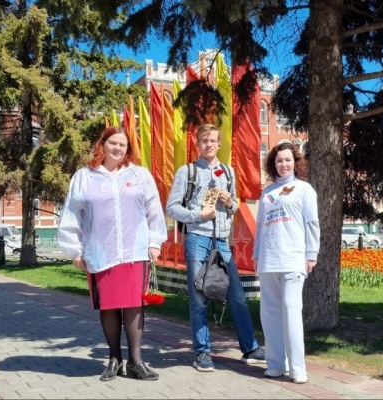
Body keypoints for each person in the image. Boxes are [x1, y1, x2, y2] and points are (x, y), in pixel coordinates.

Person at [57, 126, 167, 382]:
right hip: (100, 252)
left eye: (122, 144)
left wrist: (155, 242)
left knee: (134, 305)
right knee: (109, 306)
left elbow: (153, 209)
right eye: (113, 143)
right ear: (102, 144)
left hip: (134, 251)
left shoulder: (139, 175)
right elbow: (72, 212)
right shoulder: (85, 176)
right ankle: (114, 359)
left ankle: (136, 362)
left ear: (128, 149)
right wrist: (75, 250)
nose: (117, 148)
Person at [166, 123, 265, 372]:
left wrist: (230, 203)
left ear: (219, 144)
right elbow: (171, 207)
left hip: (222, 241)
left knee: (237, 297)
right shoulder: (187, 171)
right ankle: (202, 352)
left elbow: (234, 208)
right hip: (197, 239)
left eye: (212, 141)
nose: (208, 144)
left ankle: (250, 348)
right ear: (197, 144)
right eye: (204, 141)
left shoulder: (228, 172)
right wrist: (198, 215)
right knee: (198, 298)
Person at [252, 142, 320, 384]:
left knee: (291, 310)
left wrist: (311, 254)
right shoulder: (268, 192)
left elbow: (312, 223)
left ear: (295, 162)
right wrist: (256, 254)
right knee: (270, 313)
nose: (283, 164)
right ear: (274, 164)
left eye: (288, 160)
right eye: (279, 160)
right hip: (269, 259)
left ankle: (297, 368)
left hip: (293, 258)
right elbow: (260, 225)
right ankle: (276, 364)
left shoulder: (304, 189)